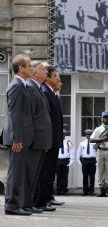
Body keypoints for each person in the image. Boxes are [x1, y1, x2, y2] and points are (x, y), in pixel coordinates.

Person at [3, 55, 34, 216]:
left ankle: (16, 204)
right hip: (18, 139)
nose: (32, 68)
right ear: (21, 68)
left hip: (22, 138)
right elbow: (14, 114)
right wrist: (18, 138)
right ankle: (11, 205)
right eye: (29, 66)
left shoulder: (23, 85)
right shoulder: (16, 86)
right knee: (15, 172)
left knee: (18, 172)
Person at [26, 61, 53, 212]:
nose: (45, 73)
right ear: (35, 72)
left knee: (35, 175)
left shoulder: (39, 88)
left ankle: (31, 203)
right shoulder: (30, 88)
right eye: (43, 70)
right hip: (35, 140)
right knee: (30, 175)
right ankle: (30, 203)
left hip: (42, 140)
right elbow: (30, 117)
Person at [36, 66, 65, 208]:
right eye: (56, 77)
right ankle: (44, 198)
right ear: (47, 78)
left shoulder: (52, 94)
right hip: (49, 140)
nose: (59, 81)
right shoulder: (45, 92)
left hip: (55, 140)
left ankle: (48, 196)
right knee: (45, 171)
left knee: (50, 171)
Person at [89, 111, 108, 197]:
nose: (106, 119)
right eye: (104, 117)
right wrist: (102, 139)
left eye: (107, 117)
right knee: (101, 170)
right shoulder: (98, 129)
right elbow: (91, 140)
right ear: (101, 119)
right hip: (100, 150)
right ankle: (102, 190)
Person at [77, 129, 97, 196]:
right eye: (87, 134)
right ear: (85, 135)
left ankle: (91, 191)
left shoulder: (95, 143)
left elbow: (98, 152)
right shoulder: (82, 143)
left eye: (90, 134)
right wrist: (79, 162)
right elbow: (78, 153)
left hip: (92, 160)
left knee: (92, 176)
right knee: (85, 176)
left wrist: (96, 162)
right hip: (85, 160)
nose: (88, 136)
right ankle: (85, 191)